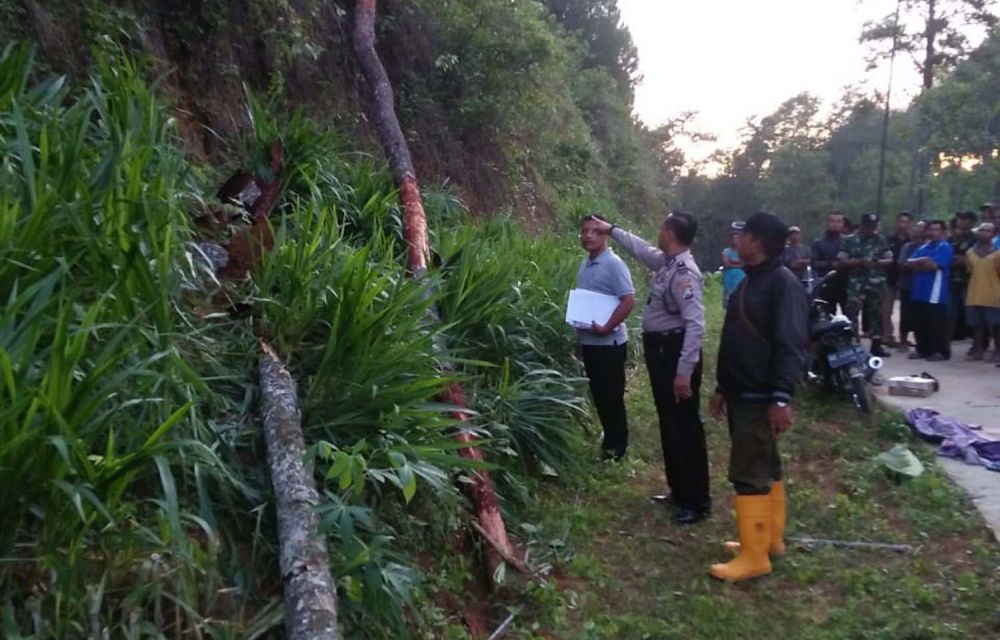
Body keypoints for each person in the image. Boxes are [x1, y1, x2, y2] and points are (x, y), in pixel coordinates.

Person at [591, 212, 712, 524]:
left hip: (675, 354)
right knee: (670, 422)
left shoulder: (685, 272)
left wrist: (684, 371)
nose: (658, 231)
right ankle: (678, 489)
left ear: (670, 232)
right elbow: (641, 249)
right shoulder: (668, 263)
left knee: (685, 426)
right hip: (662, 353)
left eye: (662, 227)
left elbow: (696, 324)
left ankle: (696, 500)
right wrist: (613, 230)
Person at [708, 211, 808, 582]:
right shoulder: (752, 281)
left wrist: (781, 397)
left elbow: (790, 345)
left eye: (745, 235)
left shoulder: (782, 285)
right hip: (742, 390)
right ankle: (770, 540)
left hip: (759, 394)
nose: (738, 240)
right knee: (767, 465)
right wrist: (723, 387)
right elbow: (736, 340)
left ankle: (754, 557)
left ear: (759, 243)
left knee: (749, 472)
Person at [575, 214, 636, 461]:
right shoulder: (585, 264)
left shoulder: (614, 264)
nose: (588, 235)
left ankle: (617, 448)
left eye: (595, 231)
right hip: (590, 342)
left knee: (611, 396)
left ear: (605, 235)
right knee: (599, 395)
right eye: (584, 231)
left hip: (609, 343)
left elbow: (629, 300)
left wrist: (607, 326)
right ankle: (610, 441)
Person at [836, 213, 894, 357]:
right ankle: (853, 344)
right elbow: (842, 261)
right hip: (857, 282)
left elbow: (890, 260)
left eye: (873, 227)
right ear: (861, 225)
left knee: (876, 313)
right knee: (852, 312)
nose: (871, 230)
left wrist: (876, 262)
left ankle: (876, 345)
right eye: (868, 227)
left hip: (876, 282)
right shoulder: (850, 240)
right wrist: (860, 261)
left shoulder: (880, 239)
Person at [908, 220, 953, 361]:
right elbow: (909, 264)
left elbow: (934, 266)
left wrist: (920, 263)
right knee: (919, 321)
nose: (933, 233)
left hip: (935, 292)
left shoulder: (945, 247)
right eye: (930, 230)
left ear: (943, 232)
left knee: (935, 323)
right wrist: (925, 260)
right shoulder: (923, 247)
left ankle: (940, 351)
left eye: (936, 230)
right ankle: (922, 349)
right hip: (918, 291)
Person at [965, 222, 1000, 362]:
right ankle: (978, 351)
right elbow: (970, 271)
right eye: (981, 230)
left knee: (997, 326)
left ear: (993, 234)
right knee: (977, 326)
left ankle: (998, 351)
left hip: (994, 294)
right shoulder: (970, 252)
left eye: (987, 231)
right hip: (975, 294)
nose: (983, 233)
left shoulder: (997, 253)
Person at [882, 211, 912, 346]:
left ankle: (904, 338)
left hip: (907, 279)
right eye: (901, 221)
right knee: (886, 309)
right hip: (890, 278)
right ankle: (888, 336)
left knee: (906, 311)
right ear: (896, 223)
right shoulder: (888, 240)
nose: (903, 225)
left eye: (906, 222)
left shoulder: (912, 242)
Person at [896, 220, 927, 352]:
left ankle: (921, 342)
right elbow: (901, 264)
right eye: (917, 227)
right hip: (908, 285)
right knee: (905, 315)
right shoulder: (908, 246)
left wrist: (914, 264)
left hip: (924, 287)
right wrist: (917, 265)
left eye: (922, 228)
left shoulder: (930, 247)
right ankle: (903, 341)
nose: (918, 230)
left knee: (921, 316)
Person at [948, 210, 977, 343]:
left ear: (971, 222)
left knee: (972, 312)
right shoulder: (951, 238)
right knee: (951, 311)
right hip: (952, 279)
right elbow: (947, 257)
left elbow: (971, 260)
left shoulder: (975, 239)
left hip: (969, 281)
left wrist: (962, 259)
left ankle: (976, 342)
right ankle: (949, 337)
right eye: (959, 218)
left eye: (964, 219)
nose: (960, 221)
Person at [811, 211, 847, 313]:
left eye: (838, 221)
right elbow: (814, 263)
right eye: (832, 221)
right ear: (827, 223)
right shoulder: (818, 243)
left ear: (843, 224)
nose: (835, 224)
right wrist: (831, 264)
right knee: (826, 318)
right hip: (826, 285)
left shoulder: (849, 242)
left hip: (846, 285)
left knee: (850, 320)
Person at [721, 225, 746, 309]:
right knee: (729, 293)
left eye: (736, 238)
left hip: (741, 275)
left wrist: (733, 262)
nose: (734, 240)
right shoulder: (727, 251)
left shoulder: (743, 251)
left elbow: (745, 263)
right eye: (733, 238)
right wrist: (738, 263)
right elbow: (726, 263)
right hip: (729, 275)